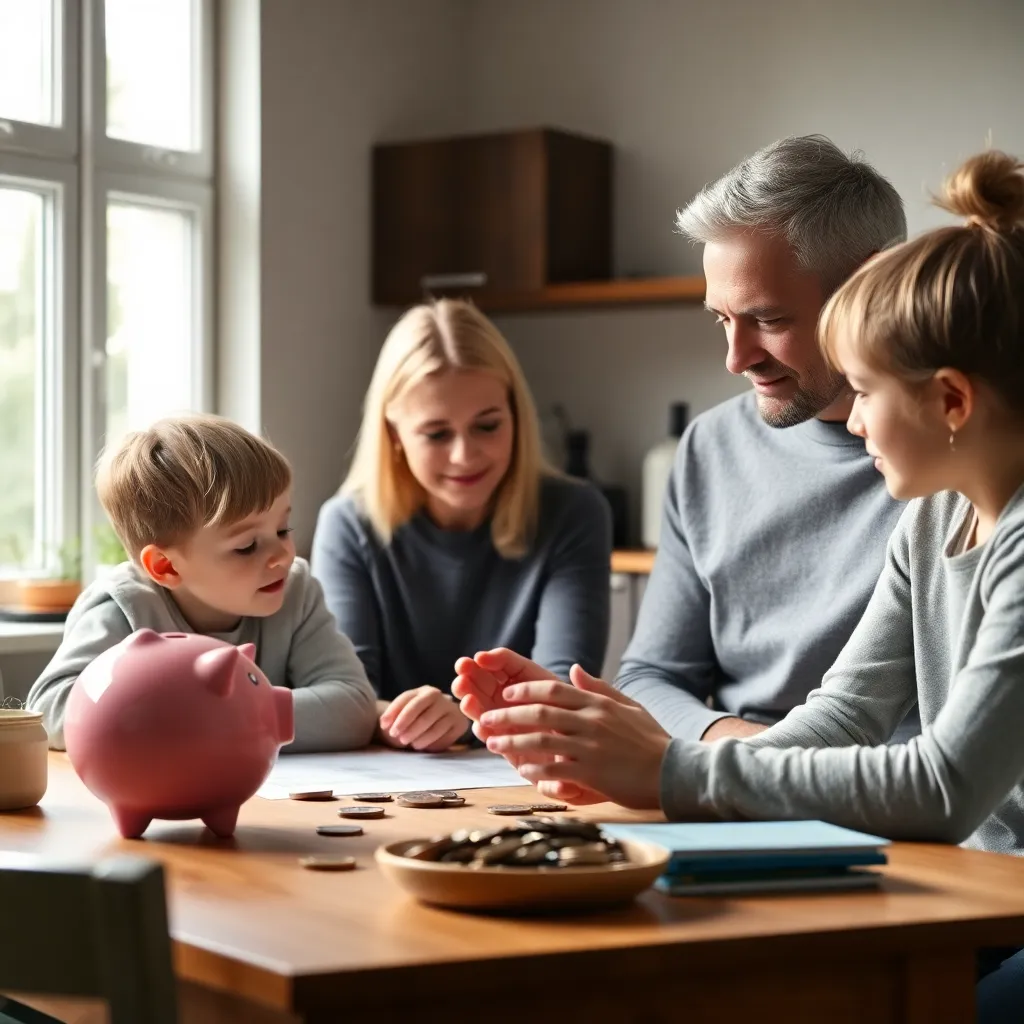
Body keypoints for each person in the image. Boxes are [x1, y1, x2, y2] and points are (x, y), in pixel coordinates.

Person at [457, 150, 1024, 1020]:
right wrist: (633, 769)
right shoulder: (929, 513)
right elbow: (841, 716)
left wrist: (674, 770)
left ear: (948, 401)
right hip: (958, 879)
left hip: (976, 885)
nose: (857, 419)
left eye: (866, 389)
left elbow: (943, 786)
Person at [614, 135, 911, 741]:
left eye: (769, 320)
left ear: (870, 285)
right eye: (721, 319)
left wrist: (763, 768)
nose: (735, 358)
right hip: (735, 783)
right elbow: (648, 675)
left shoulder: (957, 466)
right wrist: (738, 751)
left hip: (886, 804)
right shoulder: (707, 449)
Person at [310, 299, 611, 753]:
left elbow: (561, 691)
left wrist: (463, 718)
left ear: (515, 415)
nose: (464, 456)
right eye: (436, 434)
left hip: (525, 781)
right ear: (394, 435)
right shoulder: (348, 525)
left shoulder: (575, 513)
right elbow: (348, 694)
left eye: (487, 426)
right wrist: (405, 720)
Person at [28, 414, 378, 753]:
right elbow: (51, 710)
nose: (282, 556)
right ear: (165, 566)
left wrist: (217, 720)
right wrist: (241, 718)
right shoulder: (124, 608)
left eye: (283, 529)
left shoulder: (295, 591)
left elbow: (353, 707)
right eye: (247, 546)